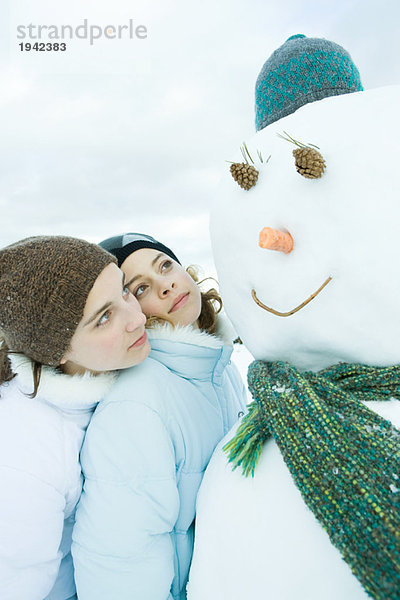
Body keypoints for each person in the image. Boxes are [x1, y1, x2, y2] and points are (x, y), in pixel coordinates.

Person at [72, 233, 248, 600]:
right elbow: (119, 564)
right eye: (140, 289)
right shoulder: (136, 405)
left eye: (164, 265)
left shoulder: (220, 368)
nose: (166, 287)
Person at [0, 236, 150, 600]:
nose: (138, 317)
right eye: (104, 318)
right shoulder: (25, 455)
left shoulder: (104, 374)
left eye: (126, 292)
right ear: (55, 351)